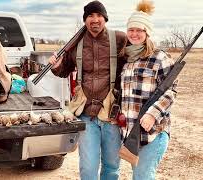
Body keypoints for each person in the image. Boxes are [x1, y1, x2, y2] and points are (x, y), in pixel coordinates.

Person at [49, 1, 126, 179]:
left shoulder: (120, 39)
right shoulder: (76, 44)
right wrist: (57, 65)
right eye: (90, 16)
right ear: (85, 20)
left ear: (105, 18)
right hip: (86, 114)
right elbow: (63, 71)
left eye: (99, 15)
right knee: (88, 168)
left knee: (112, 166)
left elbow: (138, 56)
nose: (95, 19)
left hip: (111, 115)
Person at [119, 0, 177, 179]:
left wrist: (153, 114)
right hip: (132, 133)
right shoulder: (127, 60)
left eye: (139, 30)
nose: (134, 34)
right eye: (131, 30)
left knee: (143, 176)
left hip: (154, 133)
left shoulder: (160, 57)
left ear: (147, 32)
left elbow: (171, 91)